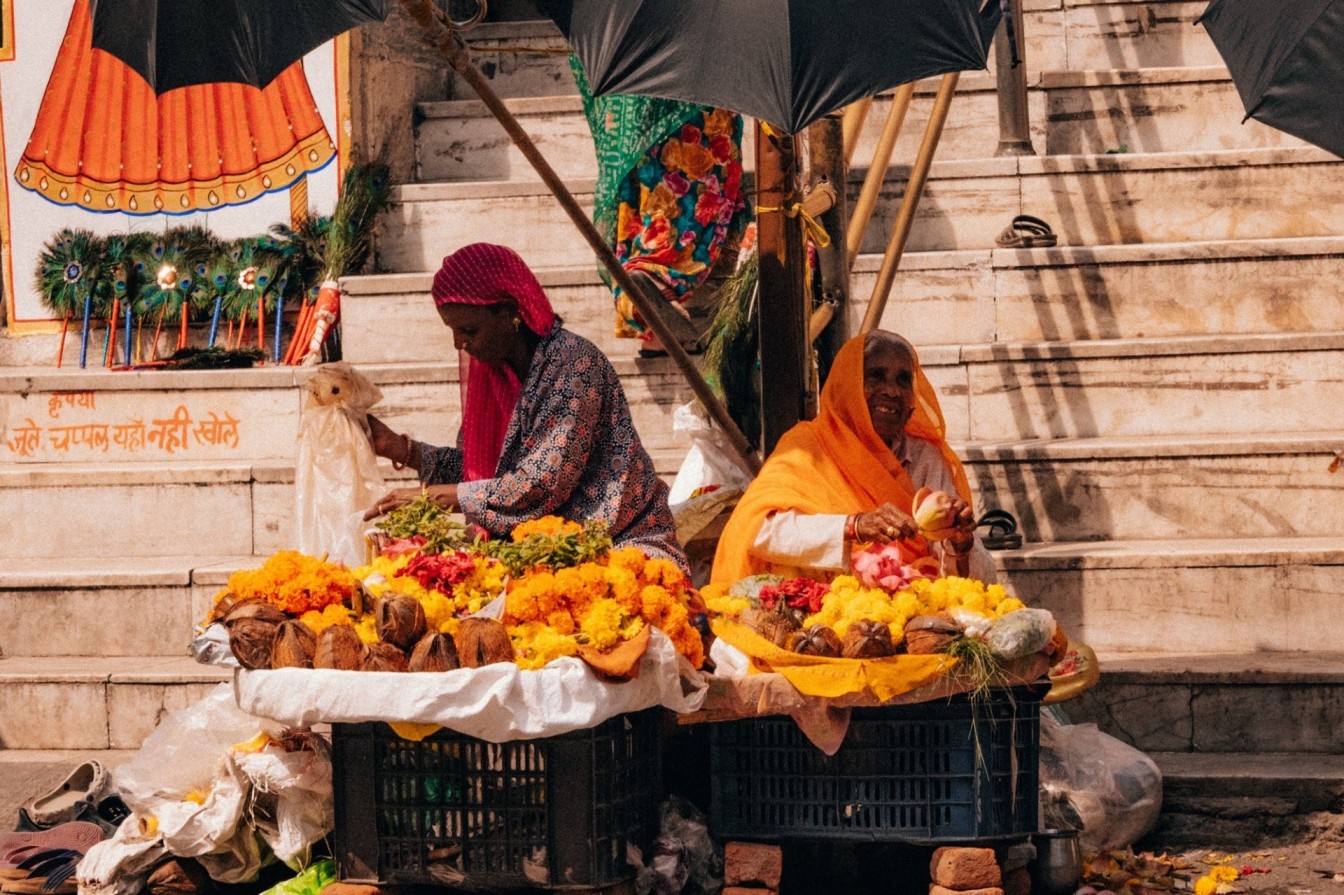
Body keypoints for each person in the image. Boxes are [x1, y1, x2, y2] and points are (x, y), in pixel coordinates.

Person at [363, 243, 686, 569]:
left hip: (616, 546)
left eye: (468, 330)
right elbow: (479, 473)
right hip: (539, 551)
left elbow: (541, 483)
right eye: (453, 331)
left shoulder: (573, 364)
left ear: (508, 312)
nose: (459, 344)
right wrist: (398, 448)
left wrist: (432, 497)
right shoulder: (497, 375)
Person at [710, 330, 995, 586]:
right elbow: (758, 531)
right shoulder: (807, 446)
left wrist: (960, 544)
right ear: (848, 388)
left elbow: (979, 579)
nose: (892, 391)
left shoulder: (926, 458)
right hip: (821, 611)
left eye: (903, 380)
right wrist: (853, 527)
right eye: (876, 376)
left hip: (908, 609)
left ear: (912, 404)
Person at [570, 56, 753, 357]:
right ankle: (662, 281)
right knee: (695, 177)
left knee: (648, 180)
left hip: (630, 75)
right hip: (689, 68)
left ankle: (653, 320)